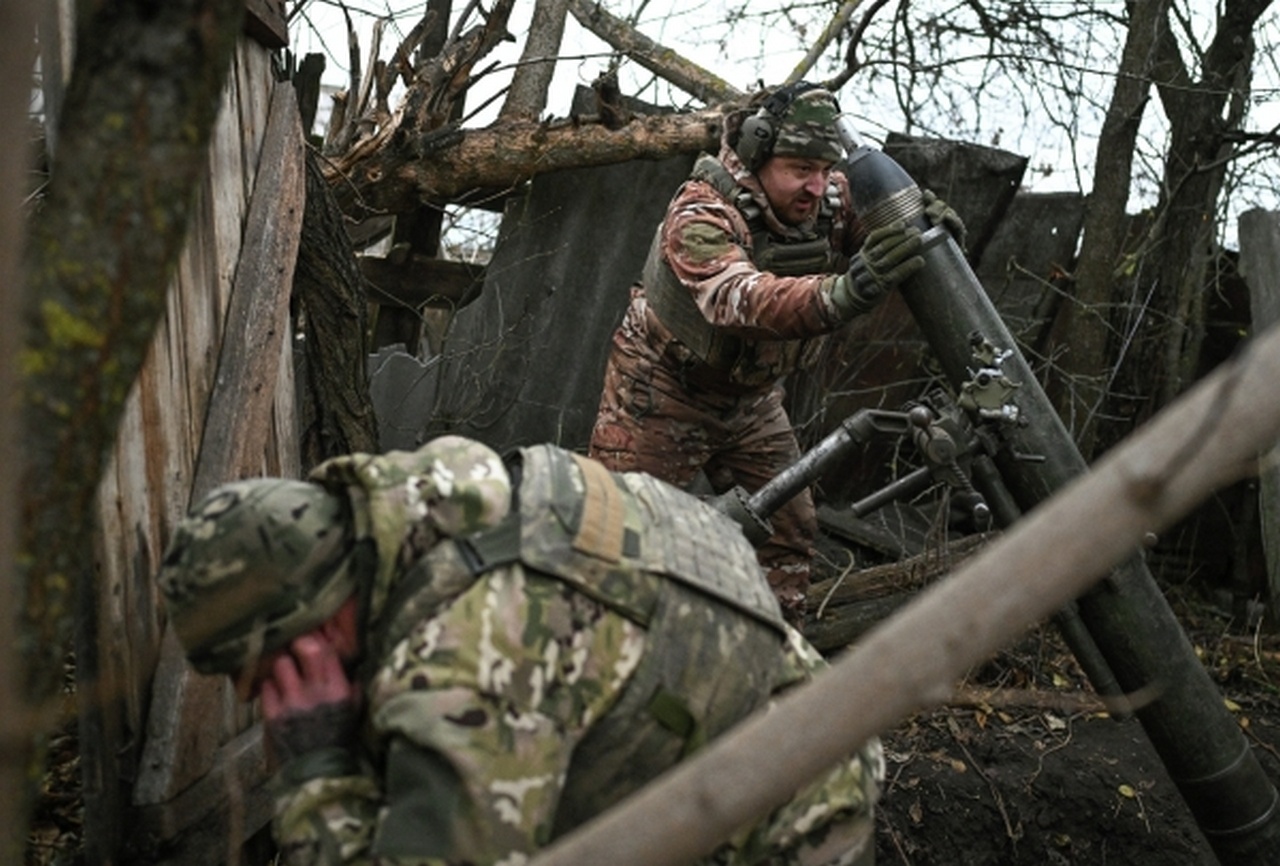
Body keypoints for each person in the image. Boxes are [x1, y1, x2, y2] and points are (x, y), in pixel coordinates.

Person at [158, 435, 884, 866]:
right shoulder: (445, 496)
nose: (255, 700)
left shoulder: (462, 673)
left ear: (310, 631)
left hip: (782, 831)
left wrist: (316, 774)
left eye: (256, 674)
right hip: (757, 734)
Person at [589, 82, 964, 625]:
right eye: (799, 169)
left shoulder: (826, 195)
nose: (817, 186)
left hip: (752, 402)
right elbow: (741, 298)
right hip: (662, 390)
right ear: (757, 154)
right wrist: (840, 293)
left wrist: (916, 227)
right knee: (615, 533)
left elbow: (873, 231)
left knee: (789, 529)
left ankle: (770, 653)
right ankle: (590, 656)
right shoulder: (701, 212)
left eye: (824, 168)